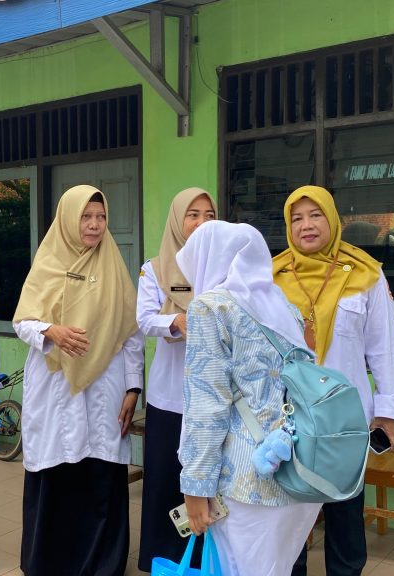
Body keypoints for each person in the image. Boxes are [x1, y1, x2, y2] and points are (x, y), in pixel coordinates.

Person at [273, 186, 394, 576]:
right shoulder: (270, 276)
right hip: (287, 418)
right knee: (288, 522)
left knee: (345, 517)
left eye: (315, 215)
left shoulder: (366, 273)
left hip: (345, 421)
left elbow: (385, 347)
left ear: (333, 219)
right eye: (297, 218)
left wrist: (389, 413)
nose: (306, 225)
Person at [177, 221, 323, 575]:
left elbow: (207, 404)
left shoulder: (210, 308)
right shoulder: (284, 307)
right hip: (298, 471)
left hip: (246, 481)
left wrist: (195, 485)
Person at [13, 185, 143, 576]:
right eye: (86, 216)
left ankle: (102, 564)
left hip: (105, 388)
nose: (94, 225)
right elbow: (22, 321)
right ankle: (51, 562)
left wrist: (133, 388)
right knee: (58, 470)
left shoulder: (114, 267)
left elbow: (131, 333)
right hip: (56, 387)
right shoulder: (47, 263)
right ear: (69, 219)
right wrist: (50, 330)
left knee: (100, 474)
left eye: (101, 217)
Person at [136, 187, 217, 572]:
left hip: (215, 399)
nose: (201, 222)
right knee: (167, 481)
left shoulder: (225, 268)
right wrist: (175, 321)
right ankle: (164, 560)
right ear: (177, 220)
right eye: (192, 214)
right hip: (170, 397)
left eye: (209, 215)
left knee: (209, 485)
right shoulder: (155, 269)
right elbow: (144, 319)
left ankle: (206, 561)